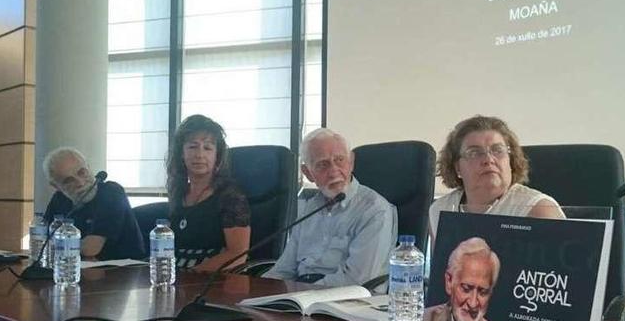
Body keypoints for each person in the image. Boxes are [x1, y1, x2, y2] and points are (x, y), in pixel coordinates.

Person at [263, 128, 397, 288]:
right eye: (322, 164)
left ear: (351, 162)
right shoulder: (309, 208)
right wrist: (257, 290)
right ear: (308, 173)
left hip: (347, 301)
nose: (333, 171)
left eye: (340, 160)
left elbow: (357, 280)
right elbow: (284, 269)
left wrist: (301, 294)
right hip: (303, 296)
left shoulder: (374, 209)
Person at [429, 115, 563, 240]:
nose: (488, 159)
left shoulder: (539, 210)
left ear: (510, 160)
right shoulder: (440, 209)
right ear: (457, 167)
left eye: (498, 150)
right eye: (474, 153)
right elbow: (440, 265)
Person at [166, 115, 251, 271]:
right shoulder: (179, 193)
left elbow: (238, 253)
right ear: (181, 153)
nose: (199, 154)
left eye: (207, 148)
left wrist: (193, 274)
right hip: (175, 275)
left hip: (213, 281)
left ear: (217, 156)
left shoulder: (230, 196)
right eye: (192, 146)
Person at [42, 147, 145, 260]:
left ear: (89, 167)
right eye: (69, 181)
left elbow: (90, 249)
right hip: (76, 269)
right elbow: (43, 241)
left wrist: (60, 244)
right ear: (57, 186)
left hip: (124, 271)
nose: (80, 183)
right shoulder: (59, 199)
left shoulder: (111, 192)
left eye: (82, 172)